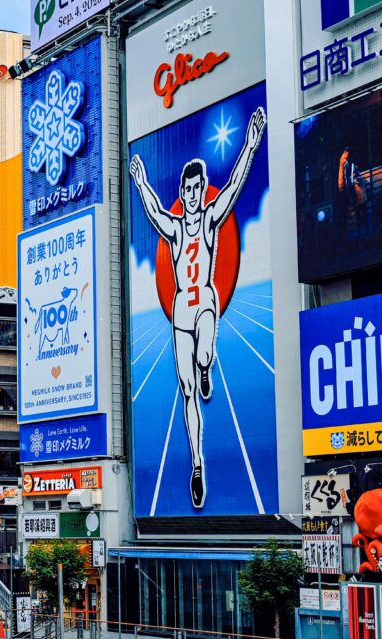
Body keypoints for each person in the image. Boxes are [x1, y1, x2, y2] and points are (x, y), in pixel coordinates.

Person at [128, 105, 266, 509]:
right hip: (180, 312)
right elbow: (153, 211)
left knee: (204, 354)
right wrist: (140, 182)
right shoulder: (173, 229)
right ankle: (198, 464)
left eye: (195, 188)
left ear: (201, 187)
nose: (190, 195)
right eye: (185, 190)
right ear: (182, 193)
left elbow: (236, 185)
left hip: (204, 299)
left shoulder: (208, 221)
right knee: (187, 391)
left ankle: (207, 365)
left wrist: (251, 145)